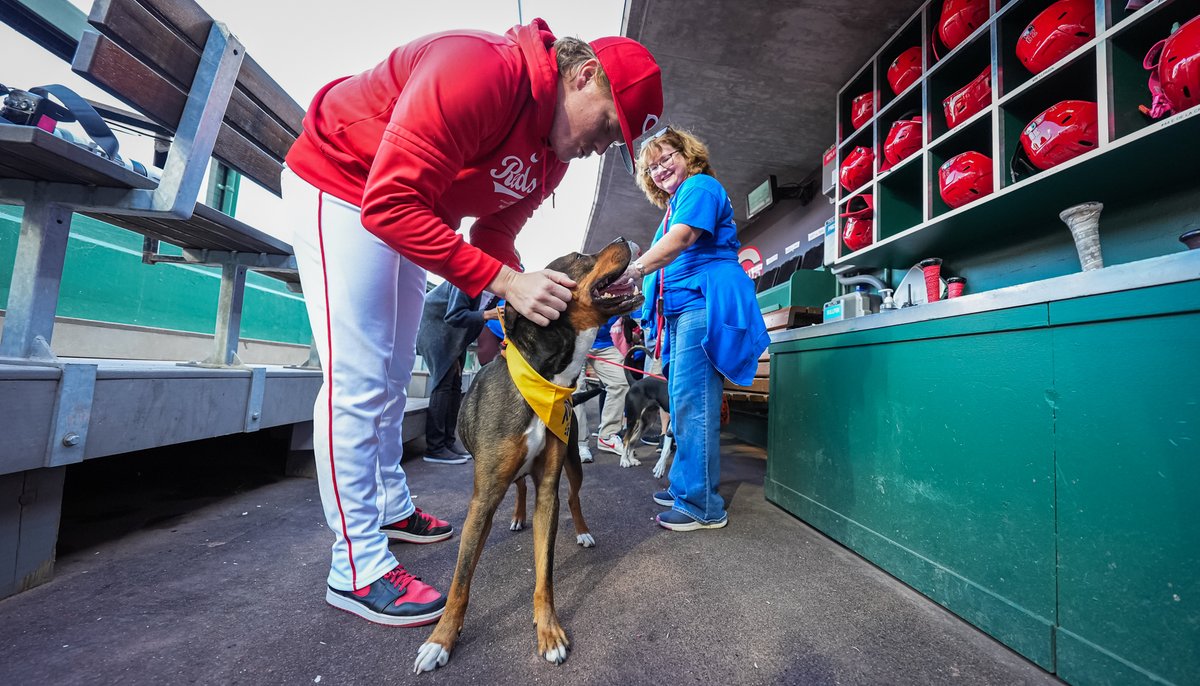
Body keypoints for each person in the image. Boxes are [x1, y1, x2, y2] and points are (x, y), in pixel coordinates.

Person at [282, 19, 663, 627]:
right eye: (609, 128)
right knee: (358, 379)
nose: (600, 149)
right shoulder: (481, 68)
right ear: (586, 76)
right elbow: (387, 201)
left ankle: (387, 507)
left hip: (412, 211)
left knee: (389, 376)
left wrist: (529, 303)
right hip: (344, 184)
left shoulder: (552, 158)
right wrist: (508, 283)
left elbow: (493, 235)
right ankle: (355, 567)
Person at [624, 127, 769, 532]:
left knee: (693, 404)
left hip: (701, 305)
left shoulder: (701, 186)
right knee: (683, 403)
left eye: (667, 156)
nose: (660, 168)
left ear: (688, 155)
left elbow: (682, 239)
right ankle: (686, 484)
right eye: (652, 167)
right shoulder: (675, 202)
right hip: (682, 312)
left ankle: (702, 505)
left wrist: (633, 271)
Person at [416, 281, 500, 465]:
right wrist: (489, 314)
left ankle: (448, 443)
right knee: (443, 383)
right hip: (434, 328)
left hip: (455, 335)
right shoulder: (466, 279)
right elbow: (454, 315)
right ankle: (435, 448)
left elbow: (479, 321)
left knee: (455, 384)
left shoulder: (496, 295)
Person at [585, 314, 631, 455]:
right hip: (572, 340)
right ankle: (580, 443)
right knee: (573, 390)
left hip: (603, 343)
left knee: (622, 383)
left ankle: (607, 436)